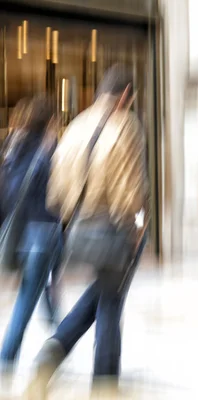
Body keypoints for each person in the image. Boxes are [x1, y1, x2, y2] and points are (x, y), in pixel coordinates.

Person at [26, 64, 149, 397]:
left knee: (103, 293)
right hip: (114, 229)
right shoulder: (126, 125)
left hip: (80, 229)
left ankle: (53, 352)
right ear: (125, 94)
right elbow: (133, 194)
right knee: (110, 302)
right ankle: (102, 383)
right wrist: (139, 231)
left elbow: (56, 191)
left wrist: (75, 219)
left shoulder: (77, 125)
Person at [0, 96, 63, 372]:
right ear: (49, 121)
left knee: (42, 288)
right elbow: (59, 193)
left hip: (20, 234)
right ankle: (7, 357)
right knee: (28, 298)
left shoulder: (13, 149)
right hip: (44, 233)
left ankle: (58, 334)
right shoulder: (48, 151)